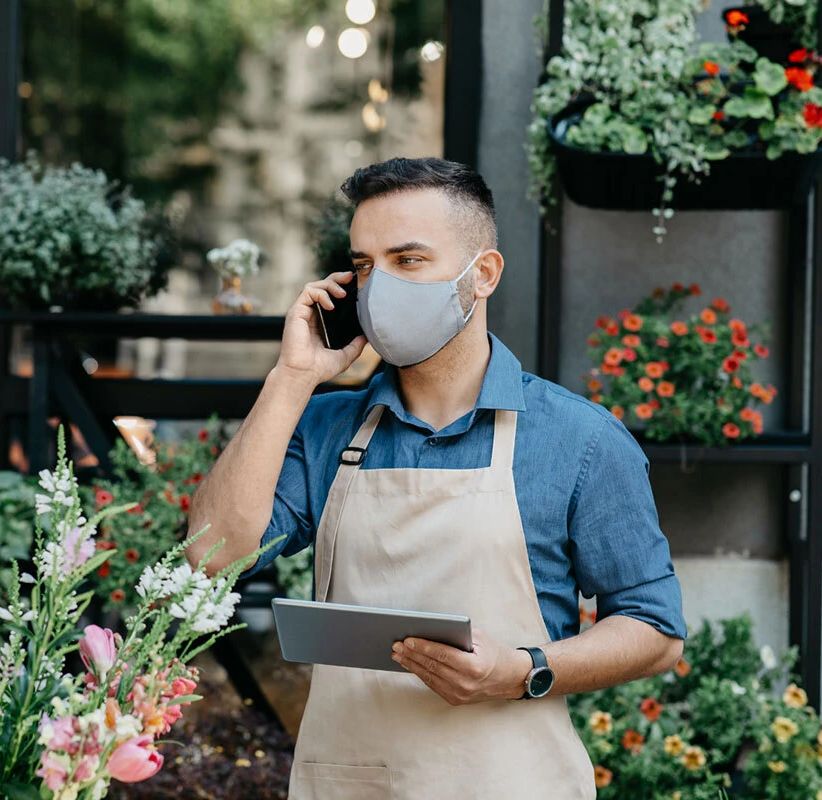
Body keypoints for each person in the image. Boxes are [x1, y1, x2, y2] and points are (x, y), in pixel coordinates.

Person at [186, 157, 685, 800]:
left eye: (408, 260)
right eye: (365, 265)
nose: (379, 285)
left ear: (483, 275)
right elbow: (209, 555)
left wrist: (523, 671)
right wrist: (292, 378)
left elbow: (655, 631)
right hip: (348, 784)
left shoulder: (580, 440)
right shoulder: (324, 427)